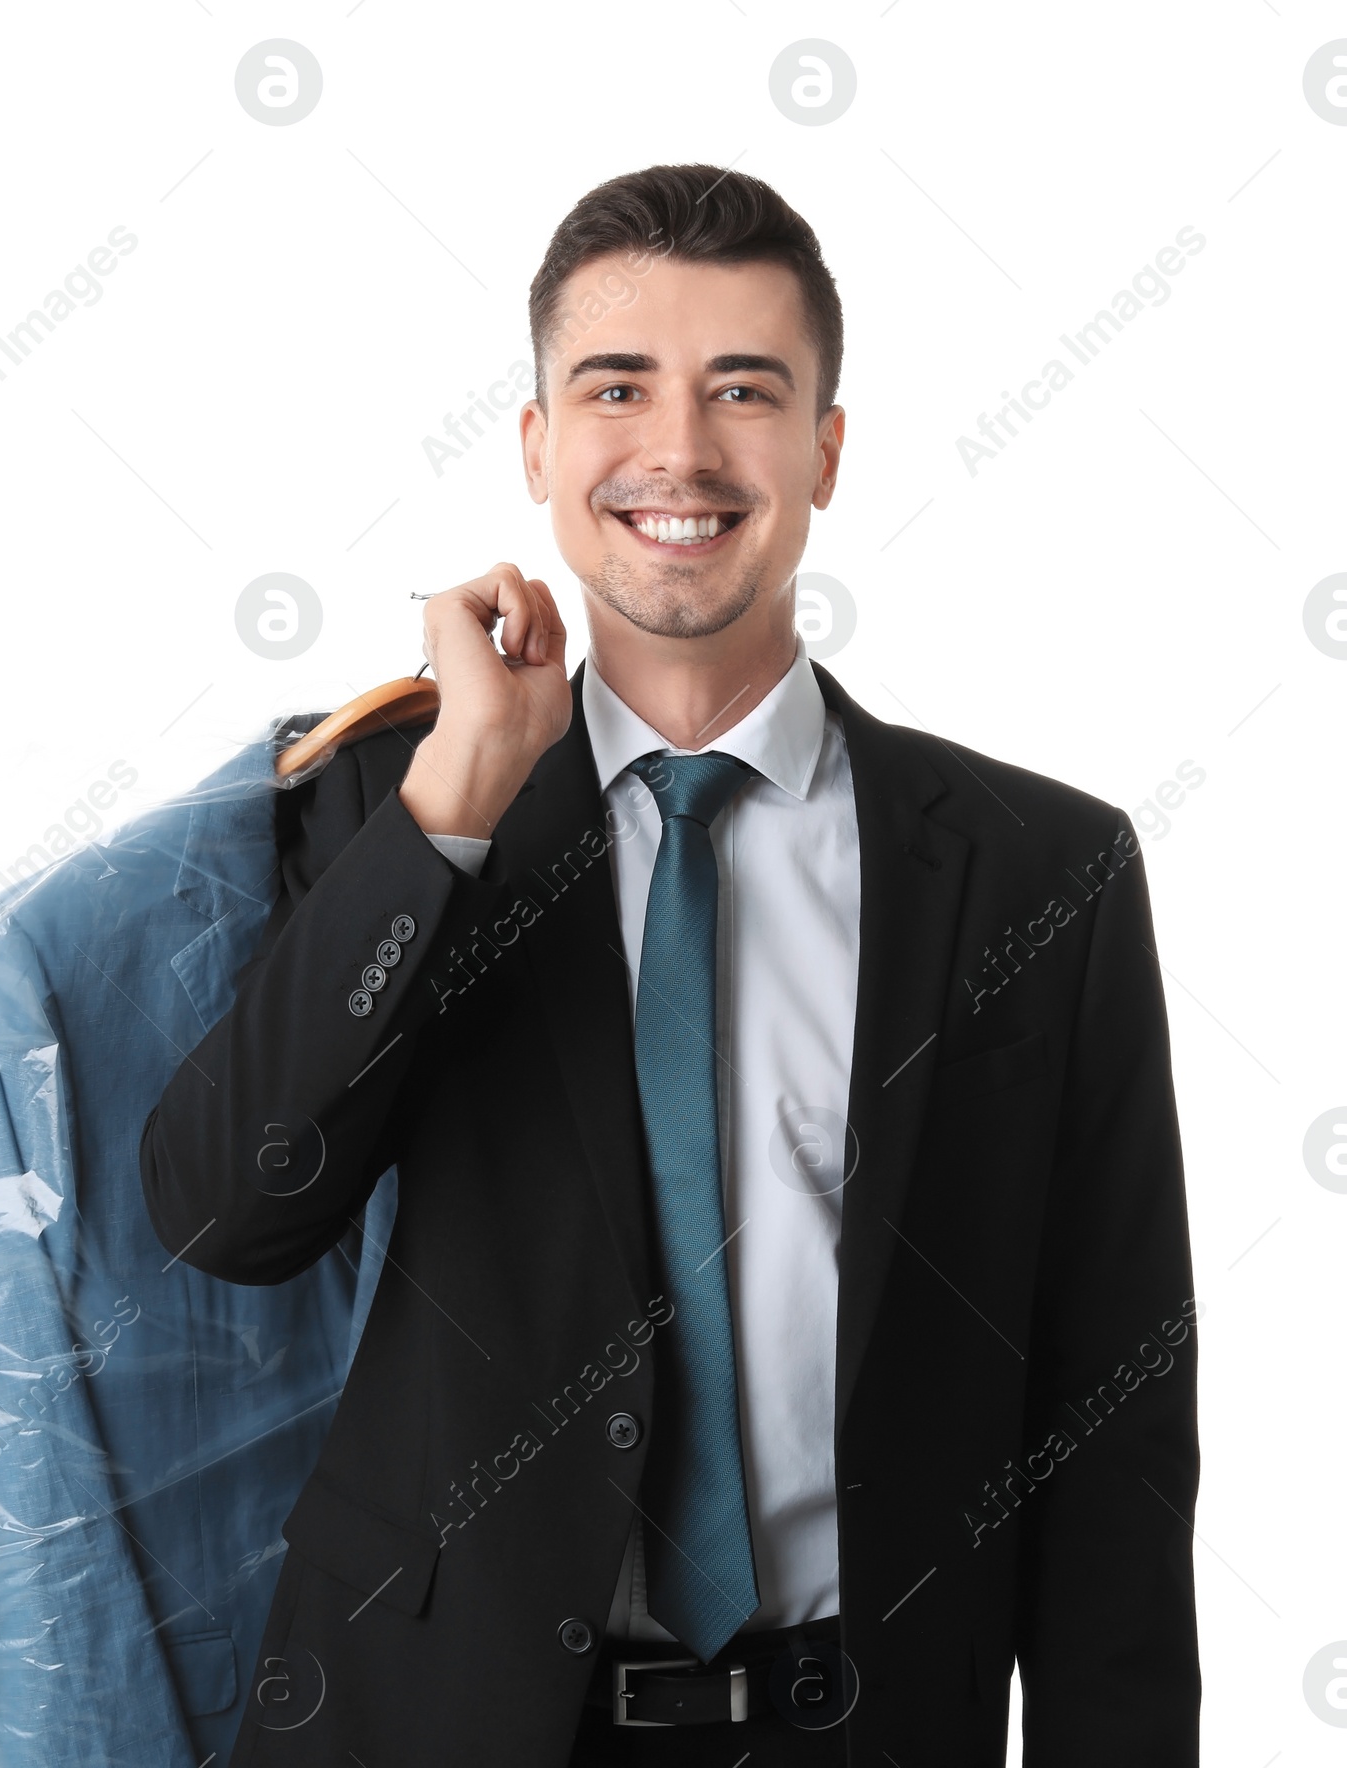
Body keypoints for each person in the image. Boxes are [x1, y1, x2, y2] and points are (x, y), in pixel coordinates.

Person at [140, 162, 1199, 1766]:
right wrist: (451, 815)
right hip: (445, 1723)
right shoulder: (386, 802)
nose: (680, 452)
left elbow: (1112, 1408)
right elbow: (227, 1214)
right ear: (540, 446)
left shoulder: (1041, 870)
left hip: (861, 1725)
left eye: (746, 392)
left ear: (827, 451)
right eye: (617, 388)